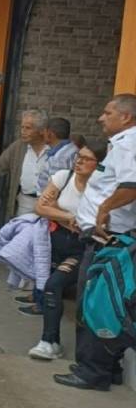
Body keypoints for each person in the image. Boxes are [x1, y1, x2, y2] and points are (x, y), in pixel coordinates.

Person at [55, 94, 136, 390]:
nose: (101, 117)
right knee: (104, 304)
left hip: (109, 242)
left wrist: (103, 210)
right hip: (103, 237)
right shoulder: (122, 145)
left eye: (107, 112)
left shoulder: (129, 144)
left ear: (125, 117)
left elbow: (131, 186)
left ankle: (92, 372)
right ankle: (105, 368)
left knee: (94, 305)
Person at [26, 139, 108, 359]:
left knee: (55, 285)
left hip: (82, 247)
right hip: (55, 241)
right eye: (78, 157)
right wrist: (68, 216)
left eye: (86, 159)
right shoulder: (63, 177)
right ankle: (51, 342)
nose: (79, 162)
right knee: (48, 288)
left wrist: (56, 209)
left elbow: (93, 223)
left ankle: (49, 341)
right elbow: (40, 207)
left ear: (99, 164)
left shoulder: (101, 188)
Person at [36, 118, 78, 195]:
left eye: (44, 131)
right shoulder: (71, 148)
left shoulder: (60, 158)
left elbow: (55, 189)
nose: (42, 134)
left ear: (50, 134)